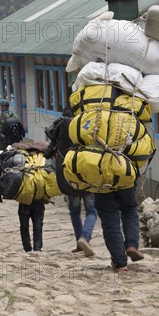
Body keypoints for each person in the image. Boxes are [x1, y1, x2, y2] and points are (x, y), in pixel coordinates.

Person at [43, 107, 97, 257]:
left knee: (74, 212)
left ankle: (80, 243)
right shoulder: (86, 125)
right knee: (92, 210)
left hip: (68, 176)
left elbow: (49, 150)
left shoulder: (60, 125)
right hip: (86, 175)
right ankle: (85, 237)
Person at [95, 185, 145, 272]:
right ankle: (132, 246)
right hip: (125, 179)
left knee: (110, 220)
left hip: (101, 184)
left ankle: (120, 262)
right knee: (129, 210)